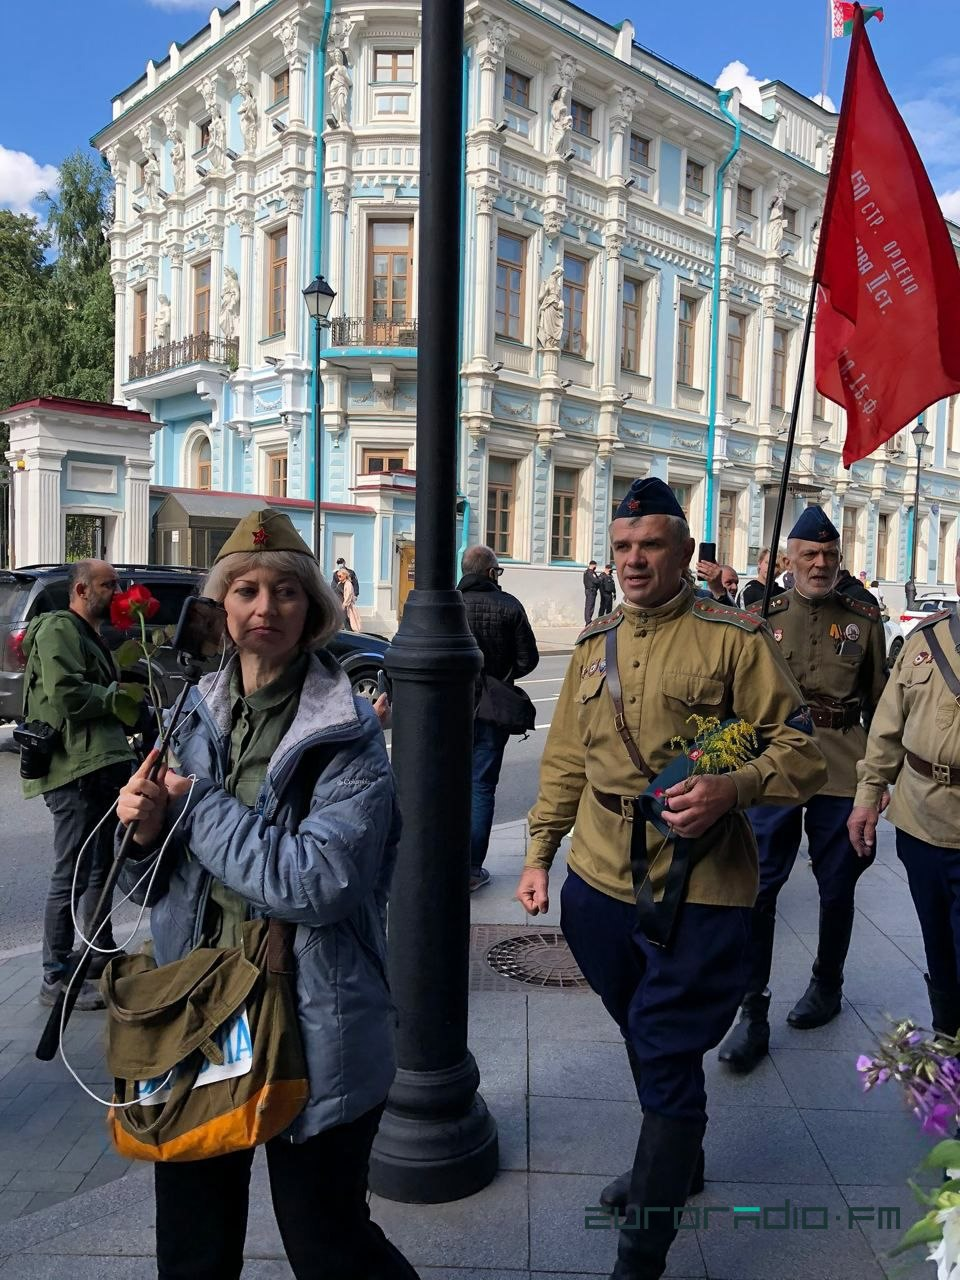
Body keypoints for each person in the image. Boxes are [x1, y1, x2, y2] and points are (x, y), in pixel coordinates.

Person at [515, 478, 826, 1280]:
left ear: (685, 551)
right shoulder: (595, 645)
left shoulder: (736, 637)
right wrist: (539, 855)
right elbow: (564, 764)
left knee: (663, 1043)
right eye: (622, 547)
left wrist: (732, 786)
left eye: (650, 545)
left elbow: (799, 749)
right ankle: (675, 1155)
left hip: (703, 884)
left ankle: (641, 1253)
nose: (634, 561)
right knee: (648, 1037)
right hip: (598, 881)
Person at [115, 509, 419, 1280]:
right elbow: (152, 885)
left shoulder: (347, 736)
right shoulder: (188, 717)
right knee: (192, 1245)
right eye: (245, 589)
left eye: (285, 590)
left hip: (314, 1018)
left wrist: (196, 808)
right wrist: (142, 831)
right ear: (222, 606)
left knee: (328, 1244)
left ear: (312, 608)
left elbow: (315, 883)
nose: (264, 608)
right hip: (199, 1015)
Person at [718, 506, 887, 1074]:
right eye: (809, 555)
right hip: (774, 766)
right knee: (760, 887)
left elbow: (881, 702)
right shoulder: (759, 614)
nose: (820, 564)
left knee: (837, 886)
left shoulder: (863, 618)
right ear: (787, 559)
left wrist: (878, 779)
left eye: (830, 556)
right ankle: (752, 1008)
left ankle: (827, 985)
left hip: (842, 766)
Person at [849, 540, 960, 1040]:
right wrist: (868, 797)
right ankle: (947, 1038)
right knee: (938, 942)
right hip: (920, 822)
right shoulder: (925, 640)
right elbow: (887, 729)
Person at [21, 561, 139, 1010]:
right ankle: (53, 977)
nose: (117, 591)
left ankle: (97, 953)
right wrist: (120, 698)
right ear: (81, 589)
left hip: (98, 764)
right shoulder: (58, 630)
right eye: (108, 585)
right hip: (73, 770)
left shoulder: (87, 633)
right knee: (69, 873)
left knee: (98, 868)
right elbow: (68, 695)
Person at [458, 545, 539, 892]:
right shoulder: (509, 606)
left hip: (449, 710)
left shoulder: (447, 602)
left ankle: (442, 860)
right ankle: (473, 870)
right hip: (492, 709)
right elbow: (528, 659)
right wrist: (500, 675)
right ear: (491, 572)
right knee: (481, 786)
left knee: (446, 785)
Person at [339, 568, 362, 633]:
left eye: (340, 576)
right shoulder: (343, 583)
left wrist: (344, 605)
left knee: (349, 622)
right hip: (346, 606)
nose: (338, 577)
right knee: (347, 622)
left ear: (345, 575)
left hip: (347, 607)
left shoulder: (348, 584)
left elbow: (348, 596)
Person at [583, 560, 601, 625]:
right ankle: (588, 622)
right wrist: (600, 580)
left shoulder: (590, 572)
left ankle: (589, 620)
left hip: (592, 591)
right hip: (590, 591)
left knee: (591, 606)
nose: (595, 567)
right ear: (593, 565)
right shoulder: (589, 572)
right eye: (595, 565)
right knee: (589, 606)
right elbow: (595, 580)